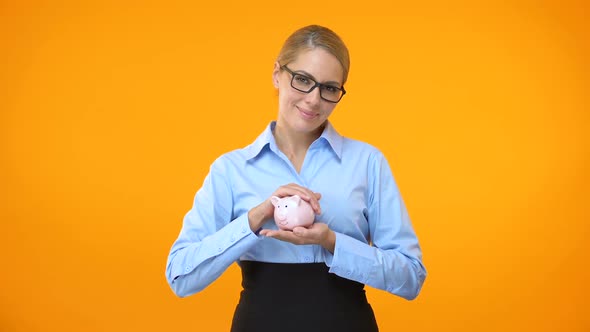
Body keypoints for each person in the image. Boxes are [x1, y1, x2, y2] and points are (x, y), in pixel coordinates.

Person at [165, 24, 426, 332]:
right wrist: (256, 217)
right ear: (277, 74)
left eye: (329, 88)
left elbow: (410, 277)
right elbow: (180, 276)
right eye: (303, 80)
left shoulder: (367, 162)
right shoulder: (231, 169)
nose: (314, 100)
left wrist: (331, 242)